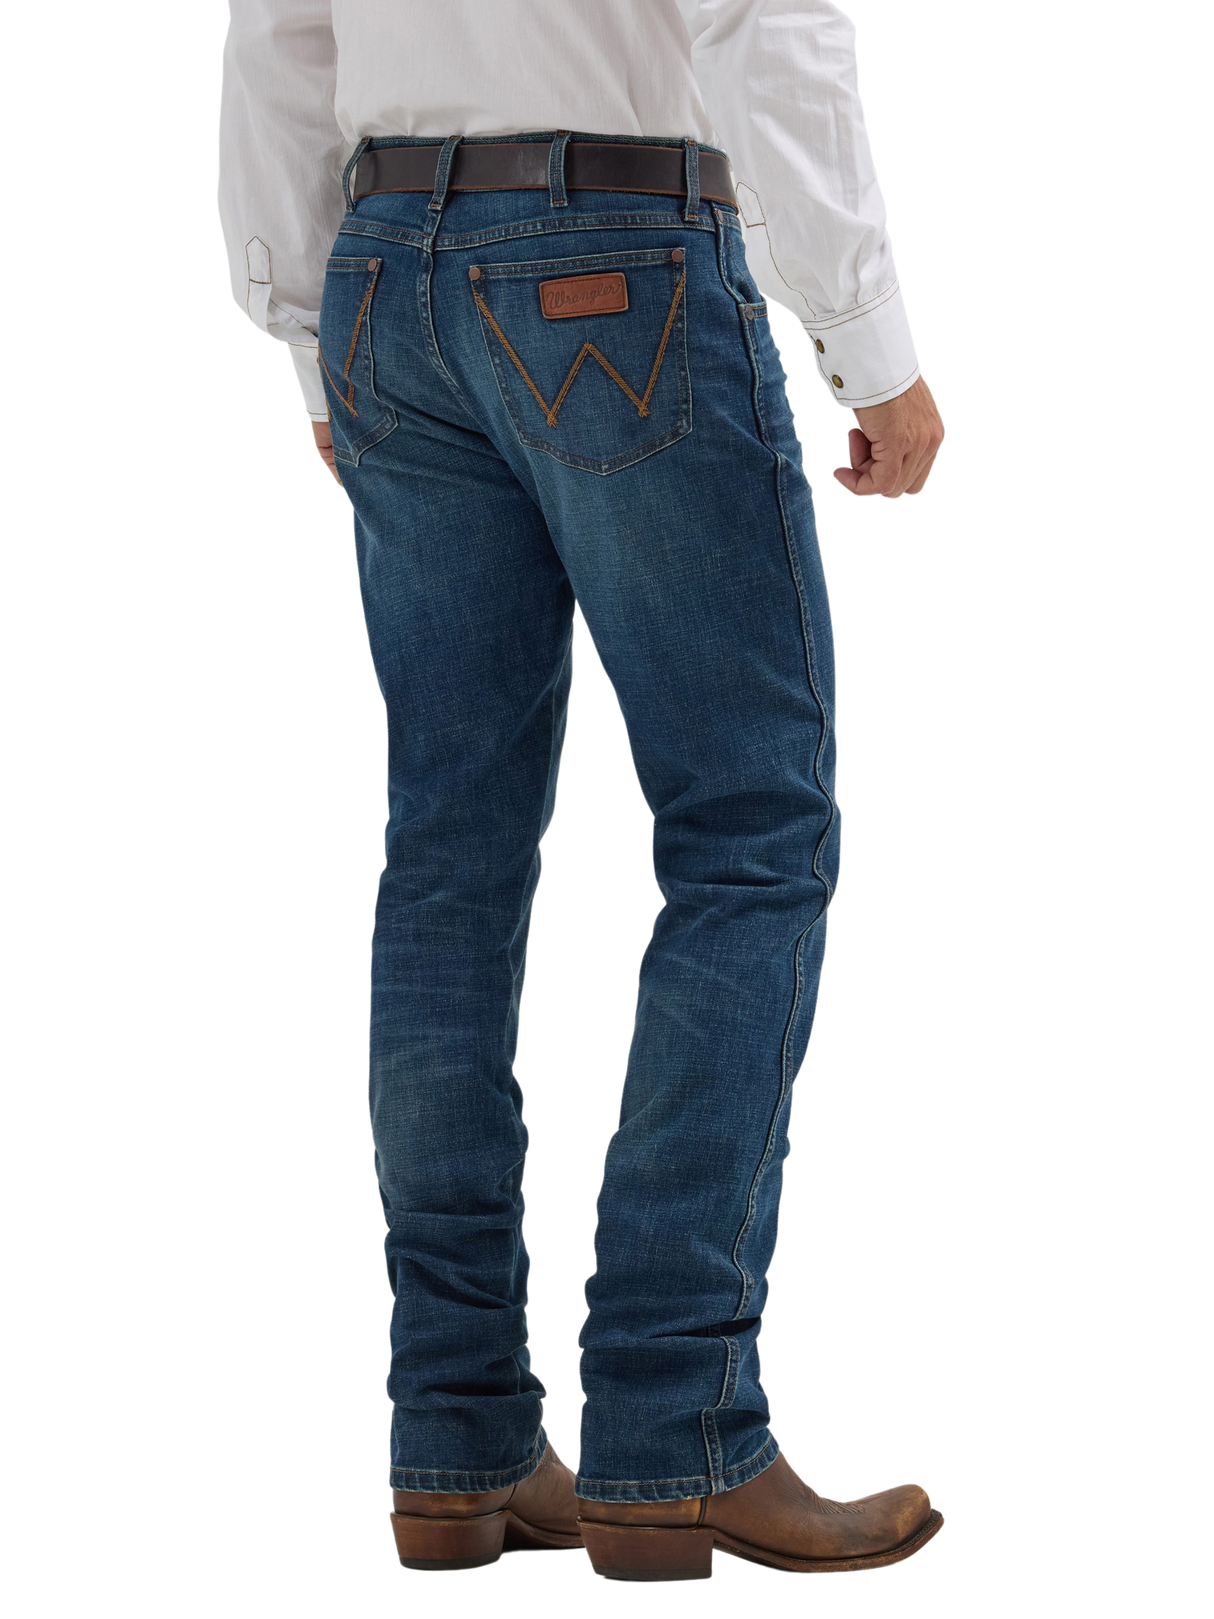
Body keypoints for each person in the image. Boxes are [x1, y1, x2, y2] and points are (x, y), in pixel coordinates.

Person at [216, 0, 948, 1585]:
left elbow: (276, 36)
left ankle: (456, 1437)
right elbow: (761, 17)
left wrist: (305, 334)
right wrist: (871, 348)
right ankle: (675, 1433)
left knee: (446, 852)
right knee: (748, 836)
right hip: (616, 253)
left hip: (382, 276)